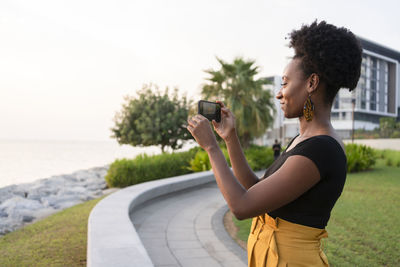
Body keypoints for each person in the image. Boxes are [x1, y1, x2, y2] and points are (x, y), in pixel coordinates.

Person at [187, 20, 362, 266]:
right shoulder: (304, 140)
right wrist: (230, 138)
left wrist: (211, 147)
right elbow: (256, 190)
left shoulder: (322, 149)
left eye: (285, 83)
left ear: (311, 83)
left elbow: (242, 206)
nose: (279, 93)